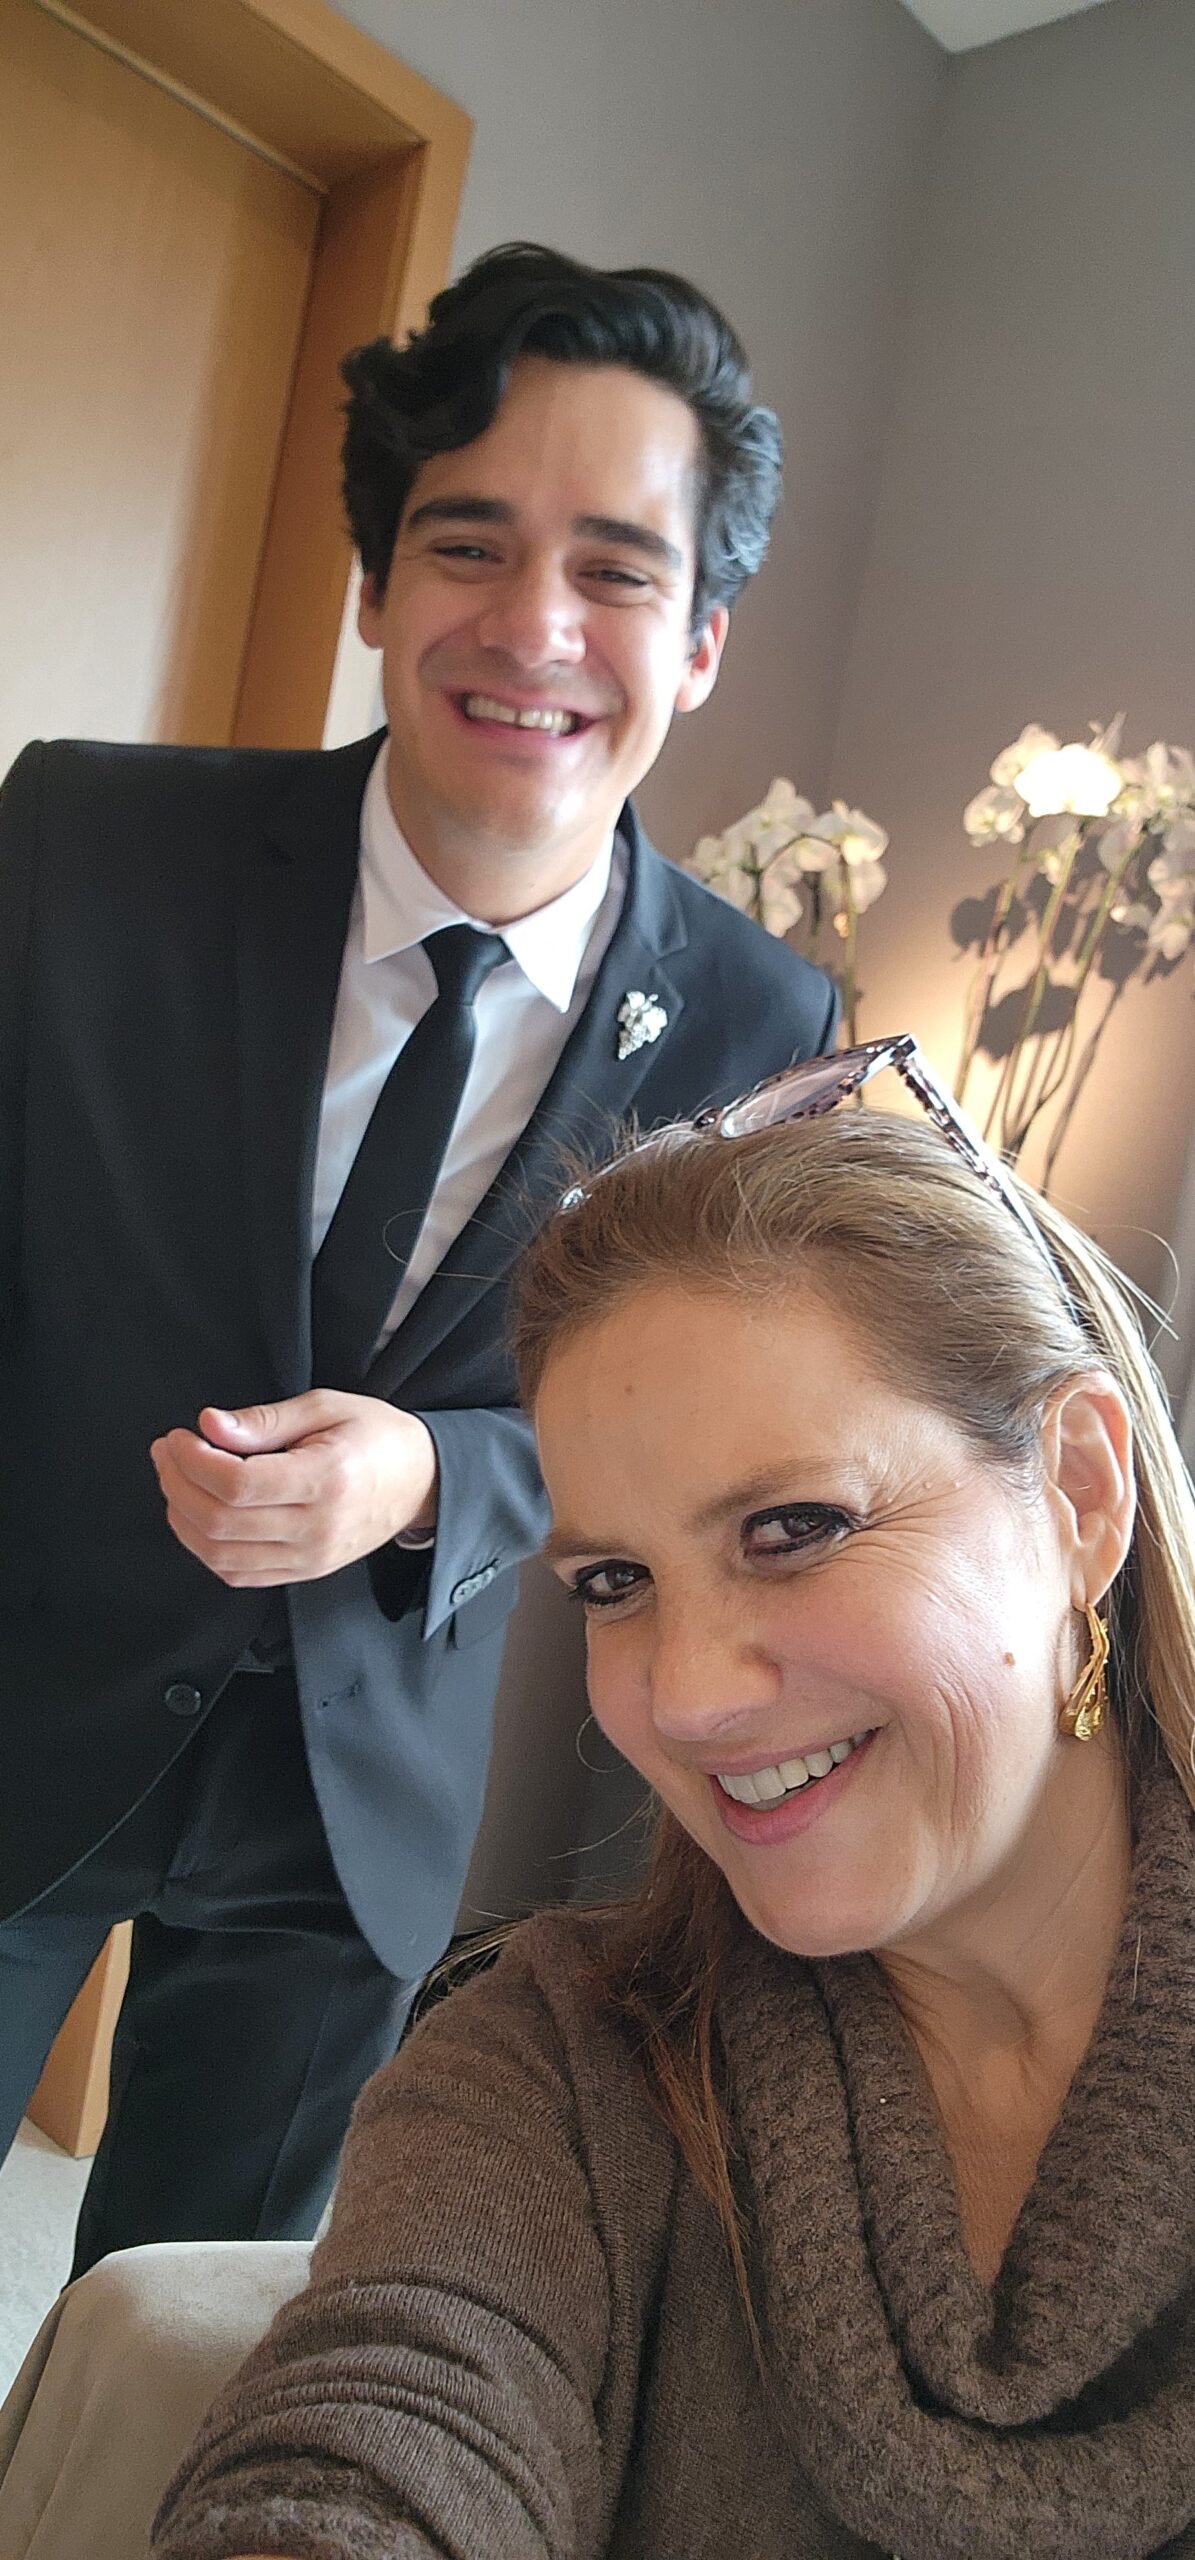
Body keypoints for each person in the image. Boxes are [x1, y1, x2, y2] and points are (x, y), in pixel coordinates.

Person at [0, 241, 839, 2274]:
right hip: (19, 1689)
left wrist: (437, 1474)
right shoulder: (84, 843)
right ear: (378, 585)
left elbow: (700, 1426)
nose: (534, 626)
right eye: (470, 542)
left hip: (350, 1812)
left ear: (701, 640)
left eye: (616, 569)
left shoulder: (766, 1027)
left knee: (163, 2347)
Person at [132, 1038, 1195, 2560]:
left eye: (794, 1528)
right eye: (615, 1583)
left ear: (1081, 1493)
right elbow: (383, 2422)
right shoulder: (563, 2058)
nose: (685, 1700)